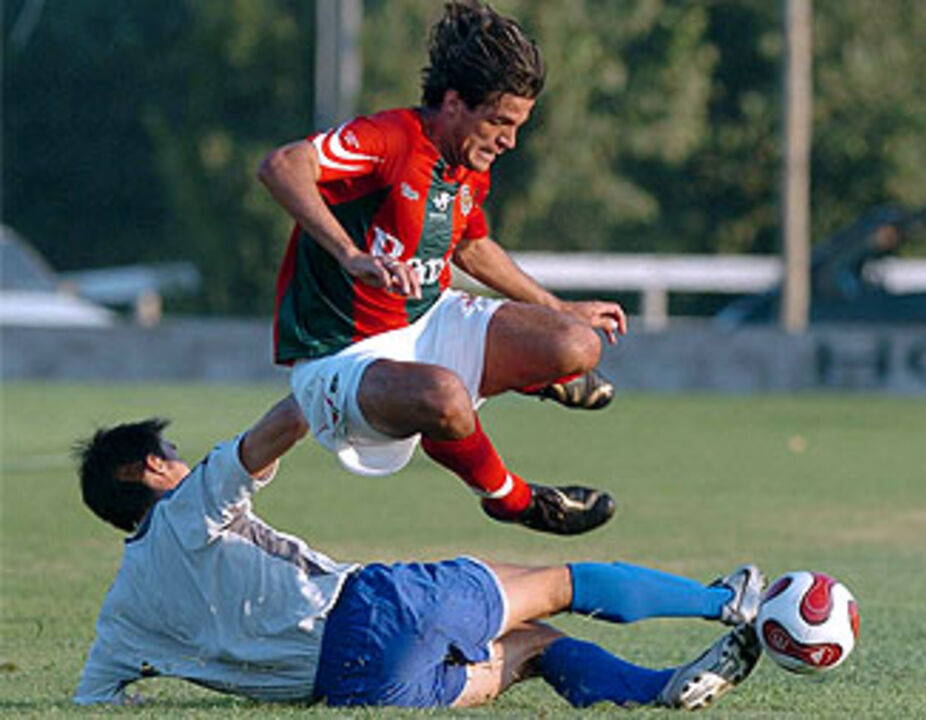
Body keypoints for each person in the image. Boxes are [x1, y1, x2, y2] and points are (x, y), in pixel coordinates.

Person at [74, 397, 766, 711]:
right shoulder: (190, 505)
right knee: (558, 583)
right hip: (374, 611)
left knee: (529, 646)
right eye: (172, 456)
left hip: (359, 694)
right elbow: (277, 428)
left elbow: (95, 700)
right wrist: (342, 377)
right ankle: (725, 600)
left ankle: (658, 690)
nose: (183, 462)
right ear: (152, 470)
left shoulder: (120, 619)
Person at [257, 1, 627, 535]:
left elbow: (472, 248)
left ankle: (533, 378)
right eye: (500, 122)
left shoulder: (468, 163)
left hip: (429, 319)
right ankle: (513, 499)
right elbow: (282, 166)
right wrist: (351, 255)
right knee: (446, 397)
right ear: (454, 103)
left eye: (518, 125)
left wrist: (559, 307)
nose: (510, 140)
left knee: (577, 343)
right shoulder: (393, 138)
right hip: (342, 357)